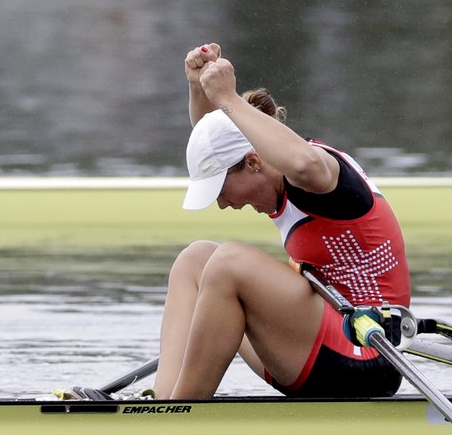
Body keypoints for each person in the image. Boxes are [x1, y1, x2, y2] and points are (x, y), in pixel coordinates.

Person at [152, 42, 411, 400]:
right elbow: (219, 141)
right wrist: (200, 88)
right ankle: (164, 402)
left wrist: (229, 97)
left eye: (221, 190)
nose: (225, 205)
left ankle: (181, 415)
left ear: (254, 162)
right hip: (315, 343)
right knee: (195, 259)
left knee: (229, 262)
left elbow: (301, 163)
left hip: (367, 352)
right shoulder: (265, 164)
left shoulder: (314, 177)